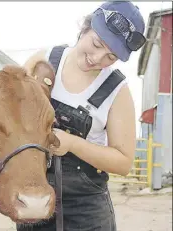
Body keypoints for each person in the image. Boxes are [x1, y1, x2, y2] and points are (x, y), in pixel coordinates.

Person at [18, 1, 146, 231]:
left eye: (111, 57)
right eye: (97, 44)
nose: (98, 59)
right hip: (34, 199)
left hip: (87, 211)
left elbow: (124, 162)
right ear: (85, 27)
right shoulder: (44, 60)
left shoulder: (117, 91)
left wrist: (73, 144)